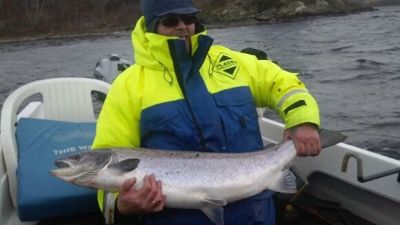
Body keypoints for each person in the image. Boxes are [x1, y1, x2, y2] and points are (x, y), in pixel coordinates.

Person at [92, 0, 321, 224]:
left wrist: (303, 121)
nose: (182, 26)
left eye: (189, 18)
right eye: (171, 20)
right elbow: (107, 169)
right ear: (152, 26)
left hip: (256, 213)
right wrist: (121, 206)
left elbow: (285, 84)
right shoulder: (127, 86)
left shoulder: (231, 62)